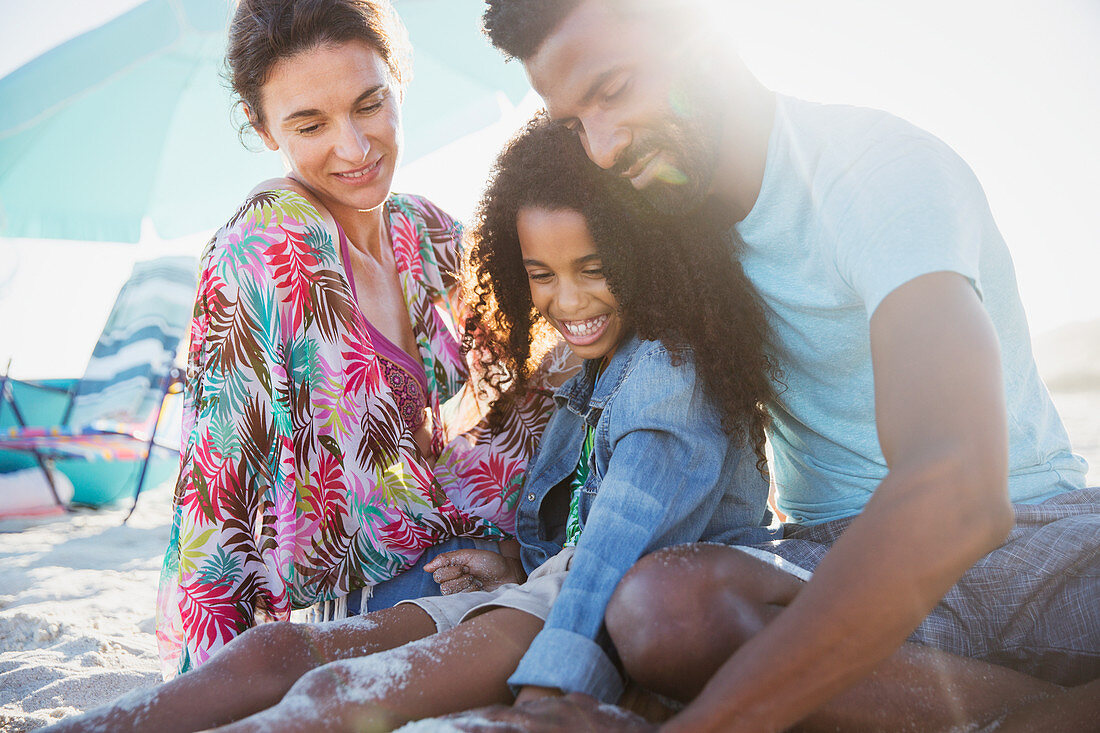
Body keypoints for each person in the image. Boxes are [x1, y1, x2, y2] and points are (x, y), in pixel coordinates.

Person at [465, 0, 1100, 730]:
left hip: (1035, 542)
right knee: (660, 610)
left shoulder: (875, 169)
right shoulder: (663, 230)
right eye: (574, 123)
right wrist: (527, 556)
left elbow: (958, 488)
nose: (602, 148)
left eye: (612, 91)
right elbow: (621, 408)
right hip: (825, 555)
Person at [44, 115, 783, 733]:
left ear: (650, 256)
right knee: (277, 651)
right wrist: (511, 560)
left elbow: (618, 543)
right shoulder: (589, 364)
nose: (569, 300)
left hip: (603, 603)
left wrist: (549, 692)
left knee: (336, 696)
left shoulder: (670, 372)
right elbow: (574, 516)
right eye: (542, 274)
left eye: (595, 267)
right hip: (551, 583)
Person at [155, 0, 555, 679]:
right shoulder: (261, 250)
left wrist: (528, 556)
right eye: (310, 123)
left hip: (509, 567)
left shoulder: (431, 233)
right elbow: (217, 496)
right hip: (386, 602)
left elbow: (534, 398)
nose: (354, 146)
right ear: (261, 128)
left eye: (370, 104)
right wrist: (215, 689)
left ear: (400, 80)